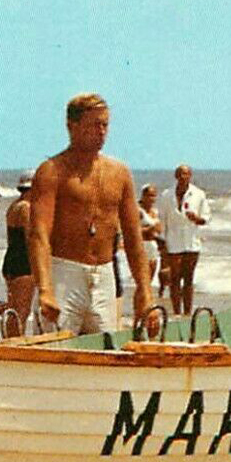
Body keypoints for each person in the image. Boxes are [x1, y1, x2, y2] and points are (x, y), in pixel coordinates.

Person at [28, 93, 154, 336]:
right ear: (72, 126)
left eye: (105, 124)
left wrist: (145, 290)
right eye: (93, 125)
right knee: (55, 349)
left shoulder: (119, 173)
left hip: (104, 276)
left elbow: (133, 237)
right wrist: (45, 289)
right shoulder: (52, 171)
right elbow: (38, 234)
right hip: (64, 273)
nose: (101, 131)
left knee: (107, 351)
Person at [159, 164, 210, 315]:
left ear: (190, 176)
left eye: (186, 174)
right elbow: (162, 220)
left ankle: (187, 313)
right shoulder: (167, 195)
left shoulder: (198, 194)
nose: (183, 177)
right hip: (173, 241)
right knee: (174, 279)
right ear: (176, 176)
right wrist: (162, 244)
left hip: (192, 241)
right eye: (180, 174)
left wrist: (196, 218)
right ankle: (176, 312)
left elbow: (206, 218)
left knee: (188, 279)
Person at [0, 172, 35, 336]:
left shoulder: (13, 206)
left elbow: (10, 238)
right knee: (22, 309)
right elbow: (30, 239)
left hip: (11, 257)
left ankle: (10, 339)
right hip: (23, 261)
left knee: (13, 307)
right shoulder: (26, 208)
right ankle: (16, 341)